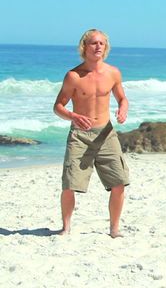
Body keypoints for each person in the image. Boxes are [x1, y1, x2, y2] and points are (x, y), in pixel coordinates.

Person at [53, 29, 130, 238]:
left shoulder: (113, 73)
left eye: (102, 44)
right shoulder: (73, 76)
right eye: (94, 43)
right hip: (80, 135)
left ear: (106, 48)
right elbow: (58, 106)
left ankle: (114, 229)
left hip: (106, 134)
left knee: (119, 182)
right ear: (84, 47)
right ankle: (66, 227)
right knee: (70, 184)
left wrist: (123, 109)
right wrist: (72, 116)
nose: (98, 47)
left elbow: (122, 98)